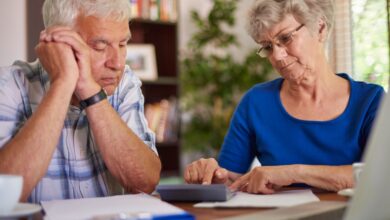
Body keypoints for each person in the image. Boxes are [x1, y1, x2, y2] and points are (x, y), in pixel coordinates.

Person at [184, 0, 385, 194]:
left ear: (320, 29)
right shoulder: (256, 103)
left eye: (286, 38)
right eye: (268, 47)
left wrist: (293, 173)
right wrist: (212, 175)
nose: (277, 56)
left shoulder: (370, 101)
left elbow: (381, 175)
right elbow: (230, 180)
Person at [0, 0, 161, 203]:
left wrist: (91, 92)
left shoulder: (123, 84)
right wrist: (63, 82)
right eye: (100, 46)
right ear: (59, 44)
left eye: (122, 44)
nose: (118, 63)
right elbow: (3, 196)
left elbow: (145, 182)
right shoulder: (9, 85)